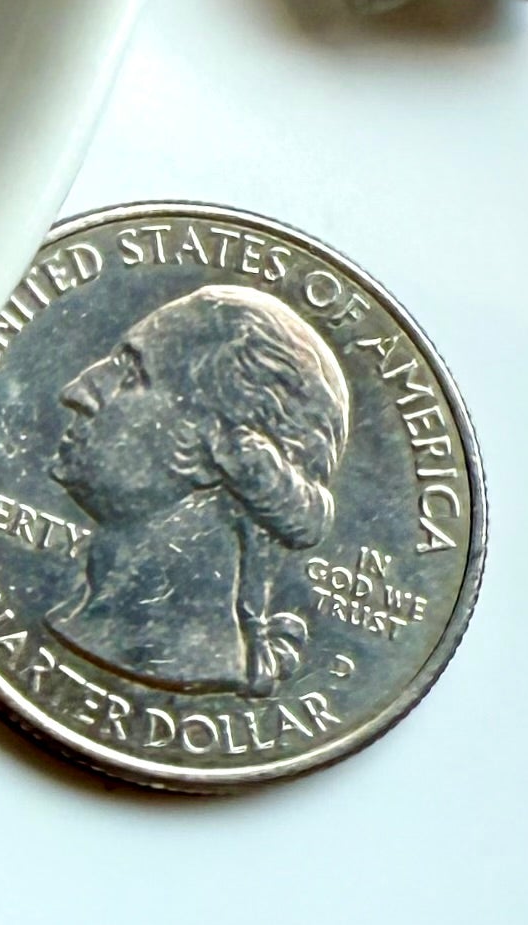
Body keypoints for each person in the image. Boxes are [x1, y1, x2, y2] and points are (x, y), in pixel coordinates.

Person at [49, 284, 349, 696]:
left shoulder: (161, 653)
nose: (77, 391)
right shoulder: (80, 622)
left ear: (219, 446)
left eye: (133, 373)